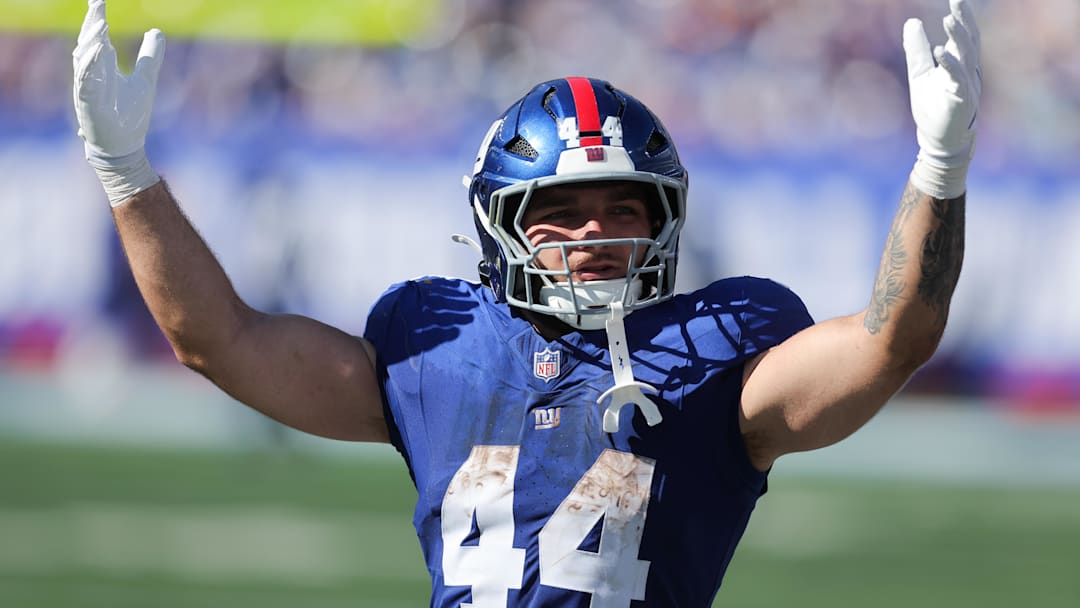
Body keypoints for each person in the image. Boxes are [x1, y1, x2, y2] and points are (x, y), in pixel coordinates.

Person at [72, 0, 980, 605]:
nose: (594, 232)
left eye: (624, 208)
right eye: (561, 211)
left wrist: (939, 170)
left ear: (664, 219)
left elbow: (890, 339)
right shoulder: (440, 349)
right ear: (500, 223)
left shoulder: (716, 348)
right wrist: (126, 174)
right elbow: (220, 342)